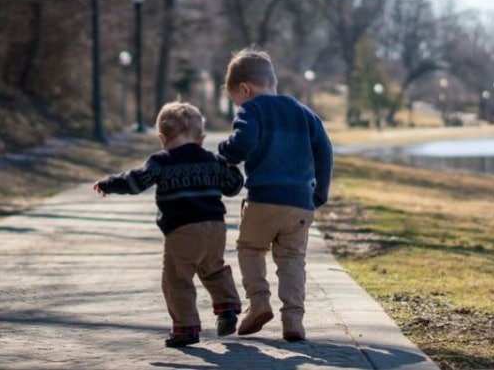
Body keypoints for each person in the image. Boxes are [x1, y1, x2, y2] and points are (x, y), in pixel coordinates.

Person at [93, 102, 244, 348]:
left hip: (182, 230)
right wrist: (231, 165)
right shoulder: (212, 160)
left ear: (161, 137)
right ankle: (227, 309)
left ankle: (186, 328)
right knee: (214, 269)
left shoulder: (161, 162)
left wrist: (109, 184)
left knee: (177, 279)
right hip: (216, 227)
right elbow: (233, 186)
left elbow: (136, 182)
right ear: (201, 138)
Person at [218, 48, 333, 342]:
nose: (238, 105)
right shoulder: (304, 112)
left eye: (236, 101)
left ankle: (258, 303)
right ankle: (293, 320)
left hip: (264, 198)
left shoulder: (251, 109)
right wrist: (318, 193)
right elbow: (325, 151)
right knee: (293, 258)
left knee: (250, 248)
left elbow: (242, 144)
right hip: (300, 203)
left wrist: (224, 151)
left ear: (245, 89)